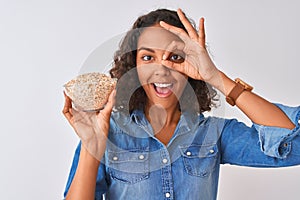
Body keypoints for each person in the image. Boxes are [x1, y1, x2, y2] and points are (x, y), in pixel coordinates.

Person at [62, 8, 300, 200]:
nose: (162, 68)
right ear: (133, 68)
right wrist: (91, 146)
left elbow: (293, 147)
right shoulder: (109, 133)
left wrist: (215, 77)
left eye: (175, 57)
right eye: (147, 57)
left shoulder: (212, 133)